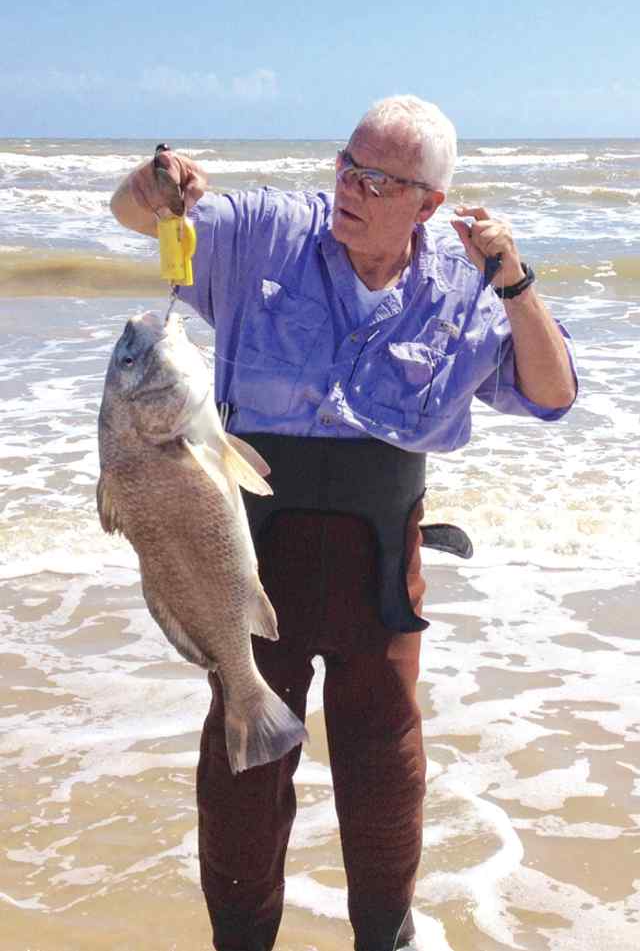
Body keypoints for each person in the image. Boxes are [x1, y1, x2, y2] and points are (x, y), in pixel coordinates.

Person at [110, 95, 576, 951]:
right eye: (344, 165)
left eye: (376, 179)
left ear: (428, 203)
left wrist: (513, 277)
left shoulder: (463, 279)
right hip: (253, 558)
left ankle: (385, 938)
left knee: (382, 776)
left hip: (378, 572)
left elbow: (553, 394)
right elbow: (137, 213)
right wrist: (157, 185)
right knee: (243, 776)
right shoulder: (264, 234)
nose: (348, 188)